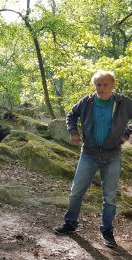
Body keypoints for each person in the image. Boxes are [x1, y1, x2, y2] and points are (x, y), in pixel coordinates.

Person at [53, 70, 132, 247]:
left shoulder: (123, 103)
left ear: (112, 85)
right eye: (98, 84)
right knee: (76, 192)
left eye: (105, 84)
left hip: (112, 155)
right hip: (89, 154)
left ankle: (107, 231)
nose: (101, 88)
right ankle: (70, 223)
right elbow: (71, 115)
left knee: (110, 197)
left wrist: (127, 133)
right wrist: (73, 132)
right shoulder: (86, 102)